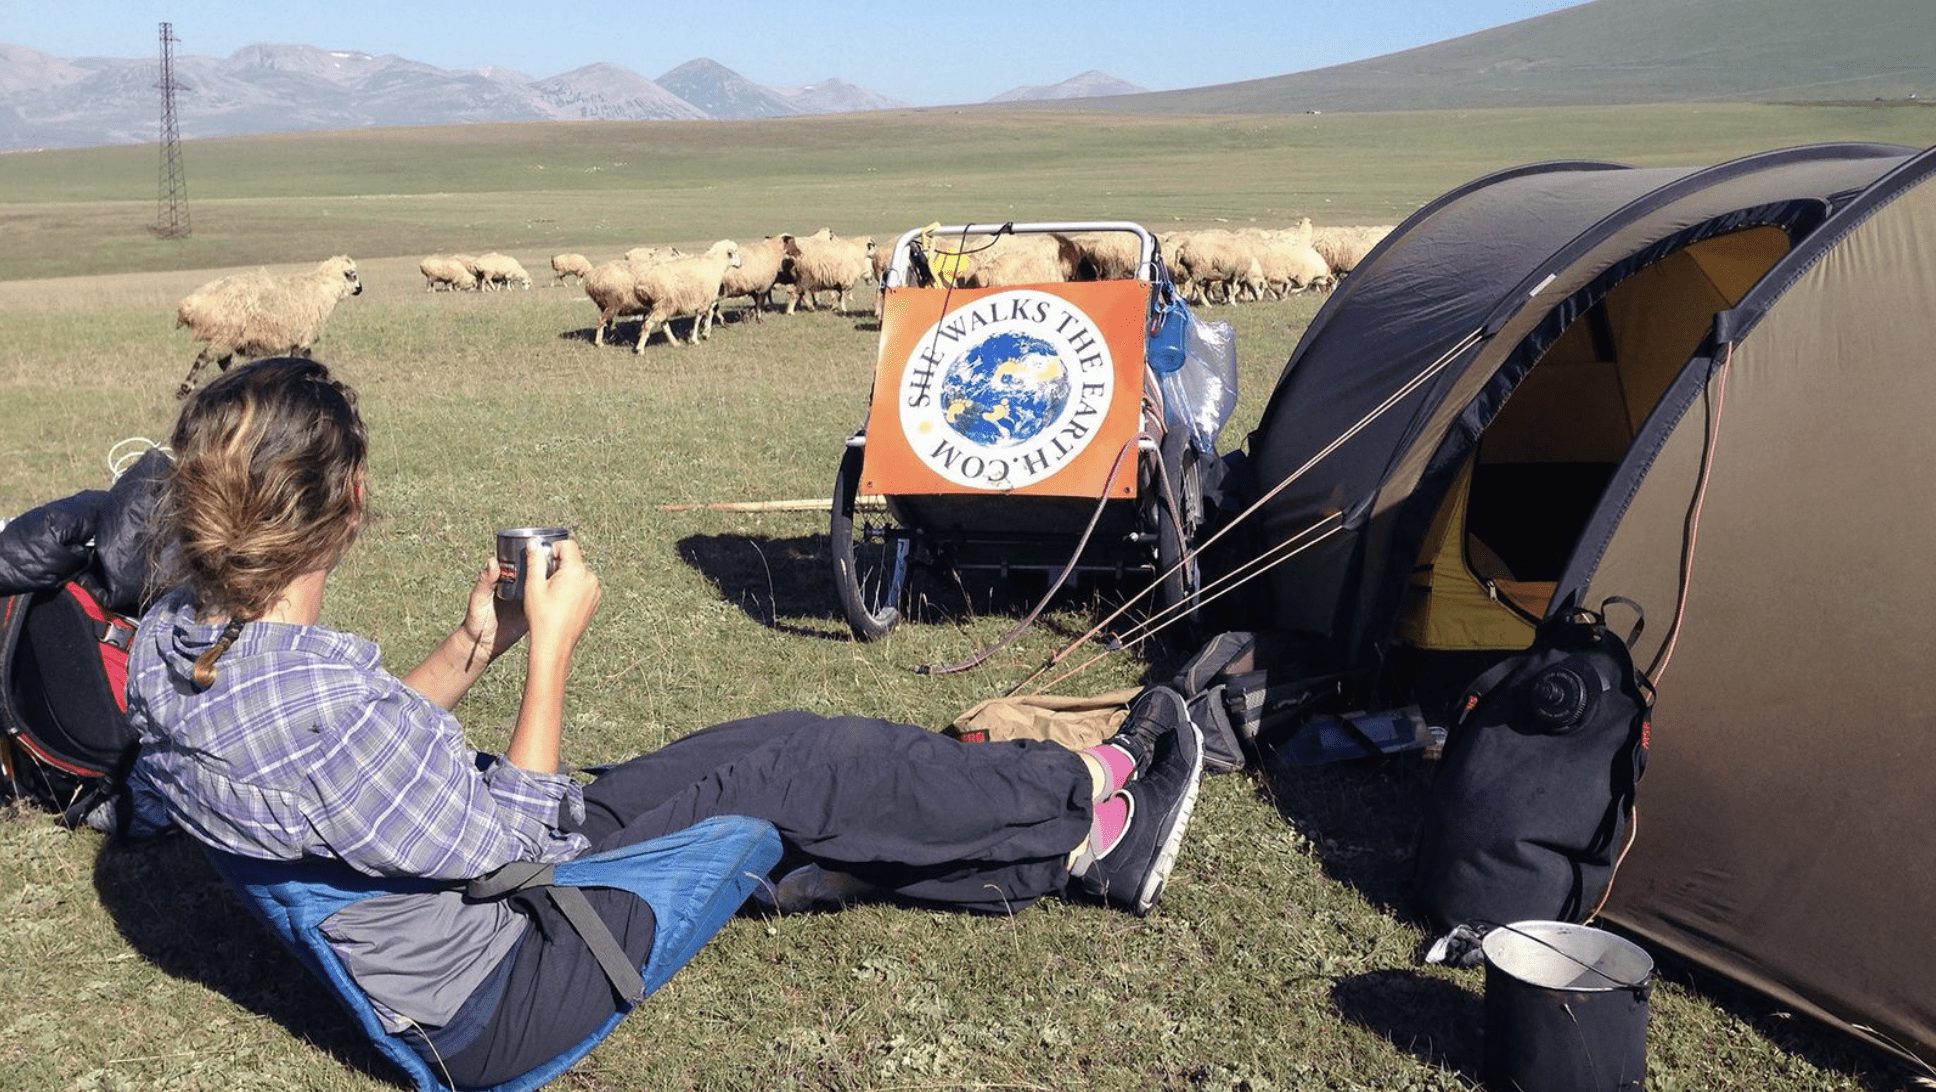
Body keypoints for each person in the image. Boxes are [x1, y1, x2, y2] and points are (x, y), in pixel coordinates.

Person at [126, 357, 1205, 1088]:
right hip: (499, 1000)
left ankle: (1053, 850)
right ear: (350, 502)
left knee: (763, 746)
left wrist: (473, 646)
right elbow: (523, 845)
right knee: (804, 774)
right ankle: (1088, 803)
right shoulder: (328, 715)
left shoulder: (174, 647)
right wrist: (551, 649)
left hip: (426, 956)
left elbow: (344, 770)